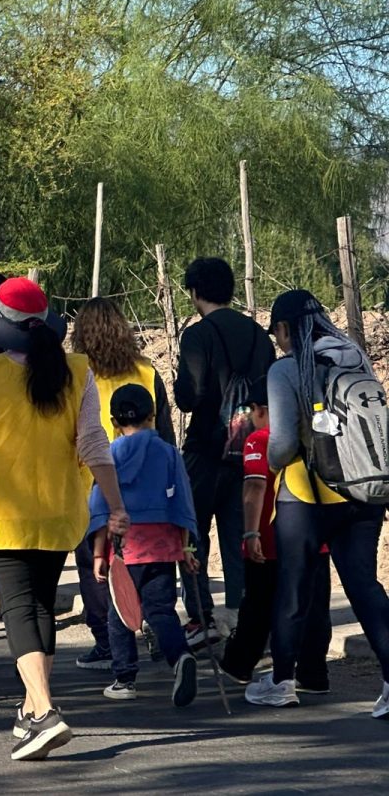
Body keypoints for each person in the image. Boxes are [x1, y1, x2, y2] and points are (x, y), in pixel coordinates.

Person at [0, 278, 129, 761]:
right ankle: (32, 711)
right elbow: (95, 444)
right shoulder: (79, 371)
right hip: (58, 511)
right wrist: (115, 505)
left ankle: (47, 711)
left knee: (17, 610)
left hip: (0, 513)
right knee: (41, 607)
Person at [244, 290, 389, 717]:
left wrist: (271, 459)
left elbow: (285, 442)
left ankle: (282, 681)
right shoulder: (355, 357)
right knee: (364, 586)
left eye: (278, 333)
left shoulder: (285, 369)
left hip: (307, 495)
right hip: (363, 491)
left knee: (293, 586)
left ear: (285, 329)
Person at [70, 296, 175, 671]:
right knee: (147, 560)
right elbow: (164, 431)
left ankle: (110, 643)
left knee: (96, 565)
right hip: (145, 485)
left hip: (92, 483)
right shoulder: (147, 371)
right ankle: (156, 627)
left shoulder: (77, 372)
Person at [174, 258, 275, 643]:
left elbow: (190, 396)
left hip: (204, 448)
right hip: (249, 449)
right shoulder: (257, 335)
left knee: (192, 533)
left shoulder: (197, 336)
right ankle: (240, 617)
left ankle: (202, 618)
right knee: (241, 535)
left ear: (195, 292)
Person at [87, 384, 199, 706]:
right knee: (160, 610)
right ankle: (180, 656)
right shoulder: (168, 452)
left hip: (125, 546)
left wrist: (98, 553)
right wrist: (186, 547)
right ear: (153, 415)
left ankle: (125, 678)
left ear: (113, 420)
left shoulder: (110, 454)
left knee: (120, 612)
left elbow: (100, 505)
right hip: (163, 544)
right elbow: (183, 501)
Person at [220, 376, 331, 690]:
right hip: (315, 538)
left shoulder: (259, 439)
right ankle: (313, 673)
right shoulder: (312, 435)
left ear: (260, 409)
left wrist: (249, 533)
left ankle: (240, 664)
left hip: (270, 540)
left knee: (258, 607)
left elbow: (255, 487)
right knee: (314, 610)